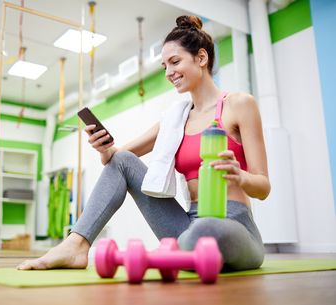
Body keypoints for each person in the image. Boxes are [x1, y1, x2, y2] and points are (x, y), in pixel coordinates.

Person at [18, 15, 270, 271]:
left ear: (201, 58)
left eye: (175, 62)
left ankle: (179, 253)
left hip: (233, 227)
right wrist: (105, 149)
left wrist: (240, 176)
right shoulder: (176, 119)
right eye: (164, 66)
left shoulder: (239, 105)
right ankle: (76, 245)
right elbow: (118, 160)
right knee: (126, 163)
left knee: (206, 229)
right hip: (188, 226)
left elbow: (263, 187)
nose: (169, 73)